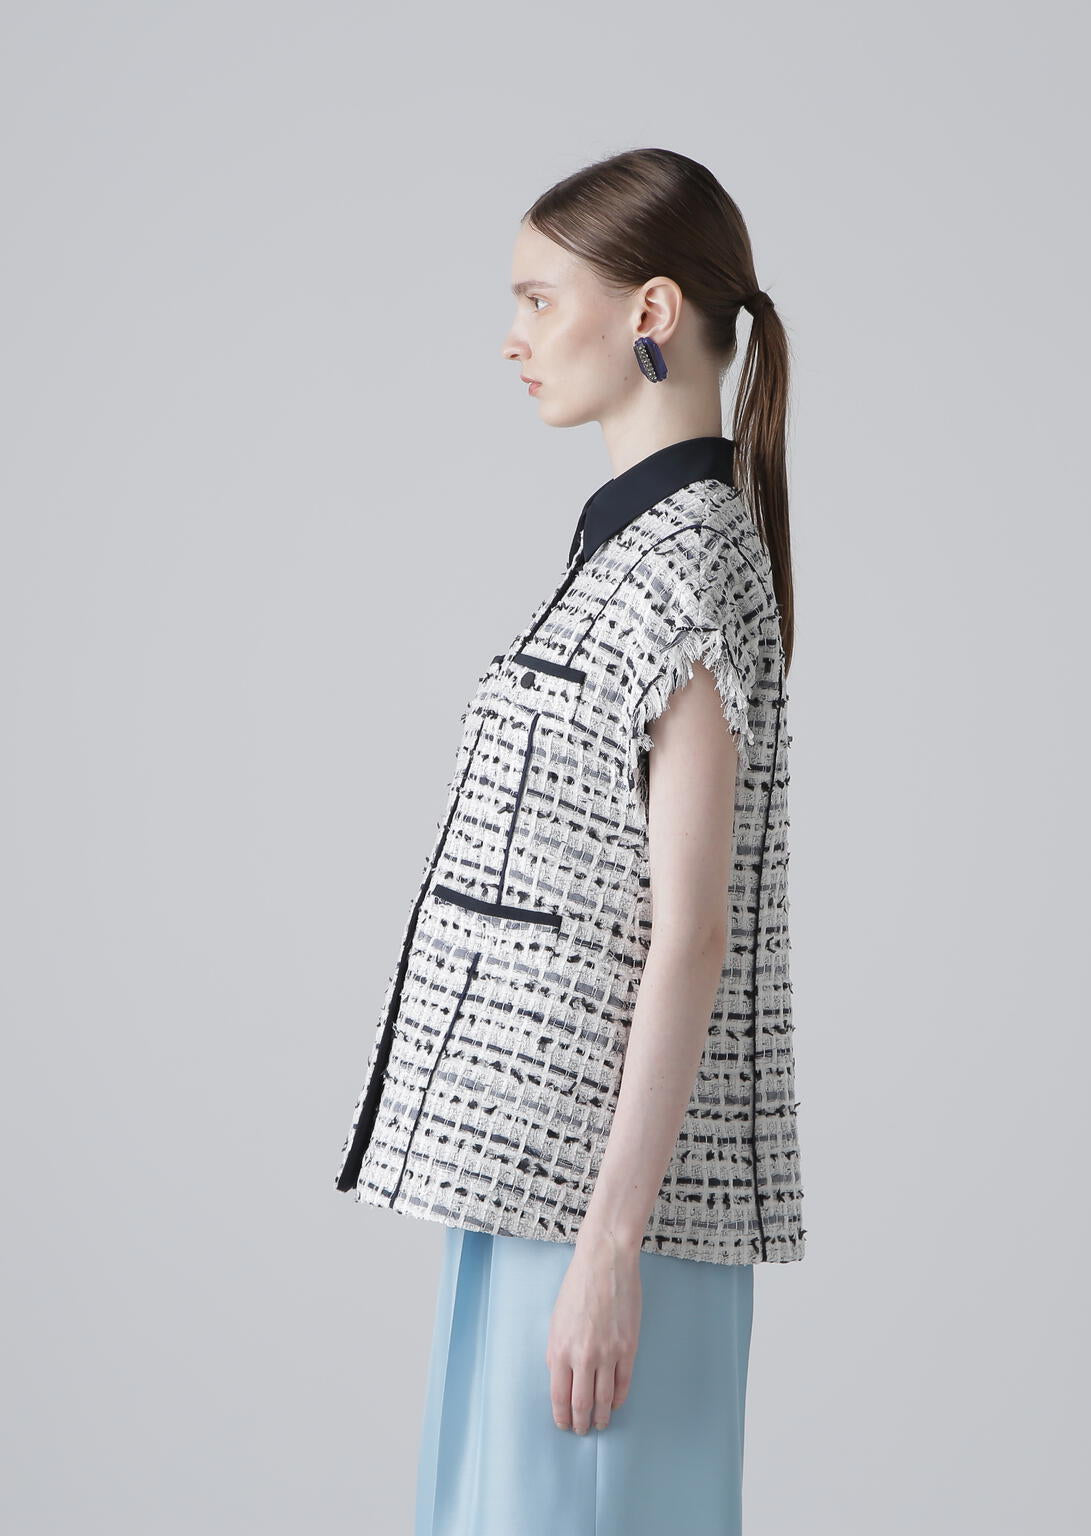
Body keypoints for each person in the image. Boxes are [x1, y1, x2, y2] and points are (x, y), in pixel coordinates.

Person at [332, 146, 806, 1536]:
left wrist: (609, 1251)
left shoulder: (687, 560)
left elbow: (693, 930)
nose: (514, 335)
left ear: (650, 312)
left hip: (607, 1211)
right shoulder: (635, 549)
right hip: (546, 1185)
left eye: (541, 300)